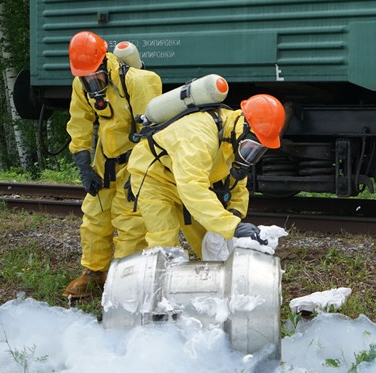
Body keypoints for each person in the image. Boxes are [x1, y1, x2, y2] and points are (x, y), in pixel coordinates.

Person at [64, 31, 163, 299]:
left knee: (130, 218)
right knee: (95, 215)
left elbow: (153, 129)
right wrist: (83, 164)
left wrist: (140, 172)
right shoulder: (80, 83)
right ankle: (93, 273)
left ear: (104, 63)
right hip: (105, 158)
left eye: (95, 75)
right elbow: (80, 122)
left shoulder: (138, 82)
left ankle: (123, 277)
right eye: (84, 77)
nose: (91, 82)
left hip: (137, 156)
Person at [127, 94, 285, 259]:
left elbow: (236, 179)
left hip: (187, 180)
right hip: (155, 177)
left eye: (257, 151)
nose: (249, 154)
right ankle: (139, 282)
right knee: (165, 246)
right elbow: (192, 187)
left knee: (211, 244)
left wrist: (235, 211)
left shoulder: (232, 137)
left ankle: (210, 282)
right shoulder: (198, 136)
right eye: (250, 147)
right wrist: (232, 226)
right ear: (243, 127)